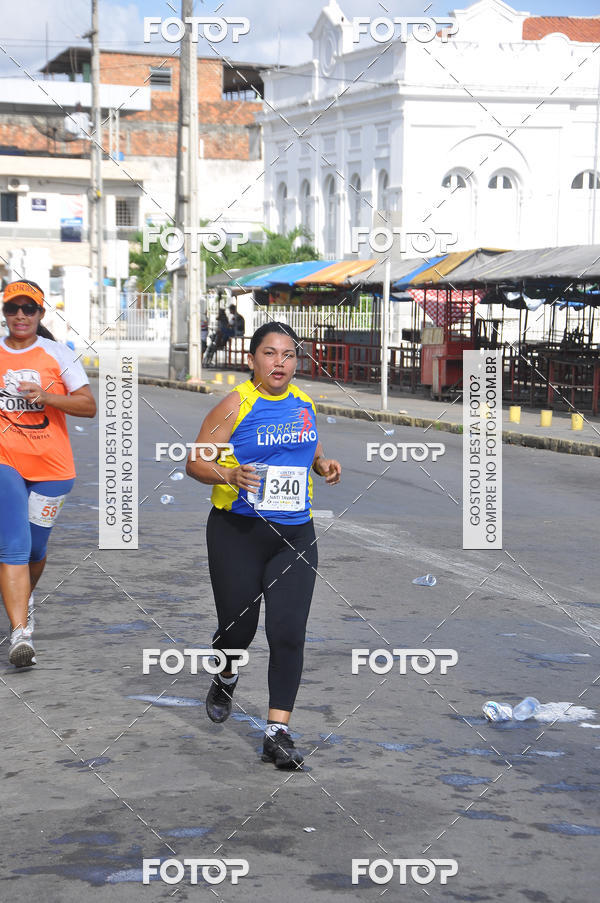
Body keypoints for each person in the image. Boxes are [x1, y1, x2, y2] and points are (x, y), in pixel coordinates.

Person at [186, 322, 341, 769]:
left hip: (294, 534)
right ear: (252, 360)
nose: (280, 363)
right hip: (238, 533)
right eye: (270, 354)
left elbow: (308, 452)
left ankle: (278, 732)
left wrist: (323, 465)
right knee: (239, 631)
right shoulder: (235, 404)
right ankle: (227, 671)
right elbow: (196, 461)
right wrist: (230, 474)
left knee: (288, 633)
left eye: (288, 354)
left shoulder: (303, 403)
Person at [0, 279, 96, 667]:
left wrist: (46, 396)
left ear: (40, 314)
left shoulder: (58, 354)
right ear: (5, 313)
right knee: (14, 545)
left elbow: (88, 406)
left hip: (53, 468)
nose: (20, 316)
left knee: (36, 549)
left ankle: (22, 601)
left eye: (29, 309)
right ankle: (21, 634)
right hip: (5, 460)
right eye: (12, 309)